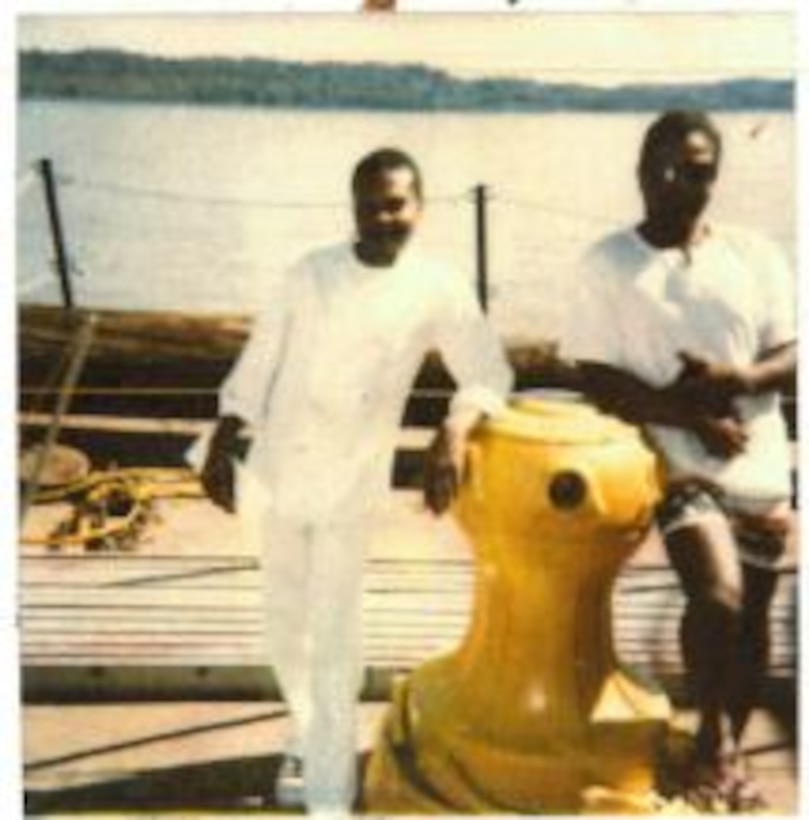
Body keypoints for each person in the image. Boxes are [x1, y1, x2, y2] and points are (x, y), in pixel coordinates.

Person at [192, 147, 512, 818]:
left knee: (335, 634)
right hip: (280, 473)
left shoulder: (438, 286)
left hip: (352, 485)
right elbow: (259, 359)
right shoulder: (309, 274)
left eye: (394, 203)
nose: (381, 218)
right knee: (284, 629)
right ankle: (309, 736)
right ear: (352, 209)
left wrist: (454, 429)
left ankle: (331, 799)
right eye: (368, 205)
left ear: (419, 207)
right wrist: (225, 434)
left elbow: (488, 370)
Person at [554, 110, 796, 811]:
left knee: (751, 613)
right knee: (715, 593)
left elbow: (790, 350)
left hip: (756, 461)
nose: (678, 181)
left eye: (696, 169)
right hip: (668, 463)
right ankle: (714, 745)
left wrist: (739, 382)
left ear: (714, 177)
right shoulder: (607, 263)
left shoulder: (755, 255)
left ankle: (724, 756)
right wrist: (688, 414)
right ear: (639, 172)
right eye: (664, 165)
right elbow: (596, 376)